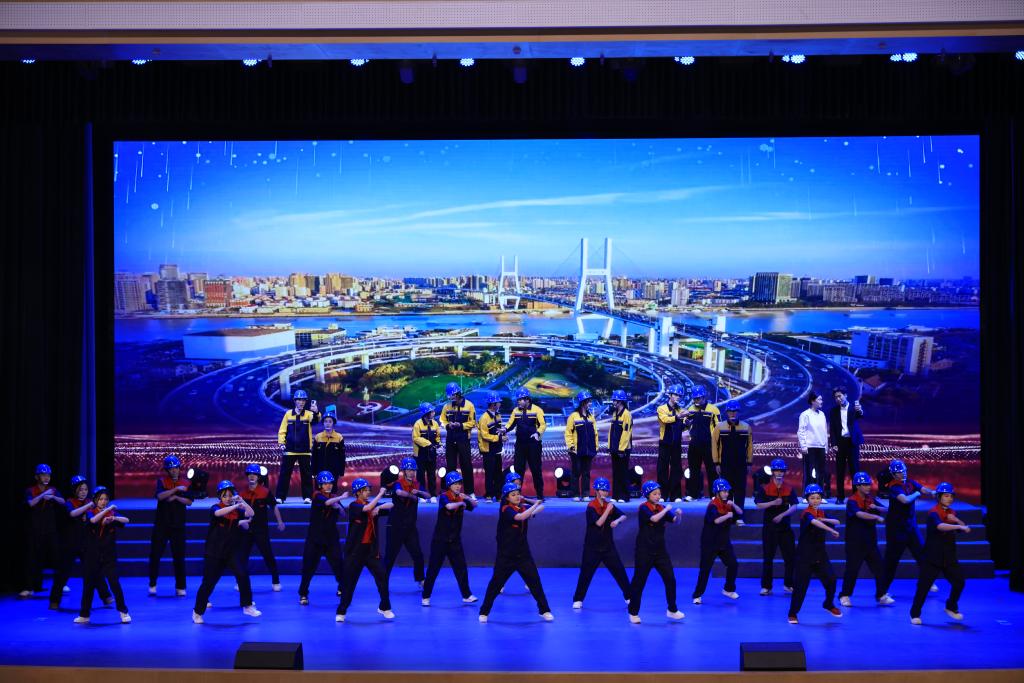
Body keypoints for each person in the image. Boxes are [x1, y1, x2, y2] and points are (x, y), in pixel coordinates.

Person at [478, 482, 552, 623]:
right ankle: (484, 612)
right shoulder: (506, 509)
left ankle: (545, 610)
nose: (517, 496)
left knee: (535, 583)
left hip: (523, 554)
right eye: (513, 495)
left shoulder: (521, 507)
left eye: (518, 494)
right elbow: (520, 517)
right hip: (506, 556)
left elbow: (541, 507)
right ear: (507, 497)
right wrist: (534, 506)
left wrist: (530, 502)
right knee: (495, 585)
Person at [192, 481, 261, 624]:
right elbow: (218, 513)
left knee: (242, 574)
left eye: (230, 495)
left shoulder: (237, 511)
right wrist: (235, 506)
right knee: (208, 583)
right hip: (214, 553)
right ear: (220, 497)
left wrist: (242, 502)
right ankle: (197, 612)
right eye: (225, 496)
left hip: (231, 552)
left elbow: (251, 513)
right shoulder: (216, 507)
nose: (228, 498)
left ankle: (247, 606)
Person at [336, 478, 395, 622]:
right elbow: (367, 509)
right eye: (365, 490)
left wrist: (379, 508)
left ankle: (385, 607)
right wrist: (380, 494)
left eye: (369, 490)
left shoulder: (372, 505)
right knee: (349, 583)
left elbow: (391, 504)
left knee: (382, 577)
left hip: (371, 550)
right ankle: (342, 611)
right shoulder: (354, 506)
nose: (368, 492)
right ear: (358, 492)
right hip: (355, 552)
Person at [50, 476, 113, 610]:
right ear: (75, 490)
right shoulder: (70, 502)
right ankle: (54, 600)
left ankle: (106, 596)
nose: (83, 492)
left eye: (85, 489)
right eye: (80, 489)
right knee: (63, 572)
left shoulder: (91, 502)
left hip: (87, 542)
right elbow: (72, 514)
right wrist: (88, 506)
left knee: (95, 569)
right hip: (71, 542)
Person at [910, 482, 969, 625]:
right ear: (939, 497)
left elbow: (964, 528)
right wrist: (957, 525)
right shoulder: (933, 513)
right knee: (923, 587)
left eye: (951, 496)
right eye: (946, 496)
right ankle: (915, 614)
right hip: (932, 556)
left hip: (948, 557)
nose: (949, 498)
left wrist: (957, 521)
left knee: (959, 582)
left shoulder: (952, 513)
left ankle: (951, 607)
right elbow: (940, 526)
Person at [628, 481, 685, 624]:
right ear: (647, 495)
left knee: (670, 579)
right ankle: (633, 613)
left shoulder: (661, 507)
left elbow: (675, 521)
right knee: (639, 582)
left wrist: (678, 515)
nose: (658, 496)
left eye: (659, 494)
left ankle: (672, 610)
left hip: (660, 551)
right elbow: (654, 519)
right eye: (655, 494)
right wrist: (666, 510)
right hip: (644, 551)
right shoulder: (644, 508)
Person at [787, 484, 843, 624]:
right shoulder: (806, 513)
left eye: (818, 498)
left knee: (831, 580)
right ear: (807, 499)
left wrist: (824, 519)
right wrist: (830, 530)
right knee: (800, 587)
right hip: (804, 557)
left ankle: (828, 604)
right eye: (812, 498)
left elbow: (837, 521)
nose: (816, 500)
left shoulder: (822, 513)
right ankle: (792, 613)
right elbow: (814, 522)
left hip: (820, 555)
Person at [75, 487, 131, 624]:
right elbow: (93, 521)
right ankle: (84, 615)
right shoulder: (90, 512)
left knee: (114, 583)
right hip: (92, 554)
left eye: (106, 499)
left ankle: (123, 612)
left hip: (108, 555)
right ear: (95, 500)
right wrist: (107, 511)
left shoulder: (111, 513)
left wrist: (114, 518)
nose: (103, 501)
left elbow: (126, 520)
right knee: (88, 585)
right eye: (101, 499)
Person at [572, 478, 630, 609]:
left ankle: (629, 597)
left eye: (606, 490)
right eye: (602, 490)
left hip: (608, 546)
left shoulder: (609, 505)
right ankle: (578, 599)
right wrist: (608, 510)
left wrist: (617, 521)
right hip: (592, 547)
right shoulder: (591, 507)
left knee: (620, 571)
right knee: (586, 574)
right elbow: (598, 523)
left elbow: (624, 516)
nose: (605, 493)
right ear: (597, 491)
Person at [882, 459, 936, 599]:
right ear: (894, 474)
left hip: (911, 527)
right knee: (891, 562)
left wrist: (933, 493)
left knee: (922, 554)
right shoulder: (894, 487)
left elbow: (923, 489)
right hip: (896, 530)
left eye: (904, 471)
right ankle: (882, 593)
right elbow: (905, 500)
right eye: (900, 472)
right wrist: (917, 494)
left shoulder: (910, 483)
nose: (903, 473)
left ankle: (928, 582)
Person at [421, 471, 477, 606]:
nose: (458, 486)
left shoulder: (461, 497)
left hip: (455, 540)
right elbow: (449, 506)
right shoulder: (444, 496)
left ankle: (466, 595)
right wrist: (461, 503)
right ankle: (426, 596)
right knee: (433, 569)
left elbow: (474, 505)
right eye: (455, 484)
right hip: (440, 540)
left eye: (459, 484)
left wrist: (466, 498)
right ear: (449, 485)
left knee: (461, 568)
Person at [839, 472, 892, 607]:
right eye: (865, 484)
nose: (868, 487)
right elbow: (859, 514)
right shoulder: (852, 501)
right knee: (852, 570)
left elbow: (886, 510)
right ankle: (844, 595)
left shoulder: (871, 499)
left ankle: (881, 595)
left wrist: (876, 508)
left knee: (880, 568)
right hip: (855, 543)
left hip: (870, 542)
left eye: (869, 484)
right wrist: (875, 517)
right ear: (858, 486)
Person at [298, 471, 349, 605]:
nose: (328, 486)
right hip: (315, 538)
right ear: (320, 485)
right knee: (309, 567)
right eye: (325, 483)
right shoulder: (317, 495)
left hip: (331, 537)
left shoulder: (333, 497)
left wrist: (338, 506)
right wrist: (340, 498)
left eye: (330, 483)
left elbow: (343, 513)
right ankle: (303, 593)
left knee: (338, 564)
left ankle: (342, 588)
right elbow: (326, 503)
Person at [148, 454, 193, 597]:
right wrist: (174, 490)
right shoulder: (161, 482)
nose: (174, 471)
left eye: (176, 468)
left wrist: (176, 497)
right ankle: (152, 584)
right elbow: (160, 496)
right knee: (155, 555)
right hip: (161, 525)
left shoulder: (186, 483)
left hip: (178, 525)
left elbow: (189, 502)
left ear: (179, 468)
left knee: (179, 557)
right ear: (167, 470)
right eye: (171, 468)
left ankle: (180, 587)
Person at [692, 479, 742, 604]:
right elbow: (716, 521)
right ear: (717, 492)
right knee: (705, 569)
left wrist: (733, 505)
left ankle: (728, 589)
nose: (726, 493)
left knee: (733, 564)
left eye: (727, 491)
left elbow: (740, 512)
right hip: (710, 543)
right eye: (724, 491)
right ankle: (697, 595)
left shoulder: (728, 505)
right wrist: (728, 516)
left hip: (724, 542)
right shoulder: (712, 505)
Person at [755, 458, 799, 595]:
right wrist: (772, 503)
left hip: (785, 528)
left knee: (790, 557)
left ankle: (788, 584)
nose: (779, 473)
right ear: (773, 472)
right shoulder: (765, 488)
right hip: (770, 528)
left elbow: (795, 506)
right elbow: (758, 505)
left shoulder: (789, 488)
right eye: (777, 471)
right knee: (768, 558)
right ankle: (766, 587)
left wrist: (782, 515)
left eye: (781, 471)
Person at [384, 458, 429, 586]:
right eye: (409, 470)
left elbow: (428, 496)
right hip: (395, 526)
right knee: (390, 556)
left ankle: (420, 579)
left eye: (413, 470)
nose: (411, 472)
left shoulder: (417, 484)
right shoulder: (398, 483)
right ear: (404, 471)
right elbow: (399, 492)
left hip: (410, 527)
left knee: (418, 555)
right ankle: (383, 580)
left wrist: (418, 492)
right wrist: (412, 496)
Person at [238, 463, 284, 592]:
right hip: (246, 529)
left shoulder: (265, 492)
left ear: (258, 477)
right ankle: (240, 582)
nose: (252, 476)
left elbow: (274, 506)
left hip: (261, 530)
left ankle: (276, 581)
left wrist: (280, 521)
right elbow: (238, 511)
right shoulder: (242, 493)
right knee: (242, 557)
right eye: (250, 474)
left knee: (268, 556)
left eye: (254, 474)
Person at [22, 464, 64, 597]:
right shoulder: (30, 490)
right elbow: (30, 503)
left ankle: (61, 584)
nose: (46, 478)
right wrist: (43, 495)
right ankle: (30, 587)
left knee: (56, 556)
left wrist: (53, 497)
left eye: (48, 475)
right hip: (34, 529)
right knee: (33, 558)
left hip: (50, 529)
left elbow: (63, 501)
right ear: (37, 477)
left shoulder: (53, 490)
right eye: (43, 475)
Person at [276, 388, 321, 503]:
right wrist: (281, 443)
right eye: (299, 400)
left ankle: (307, 497)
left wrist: (316, 412)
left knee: (306, 475)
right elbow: (282, 430)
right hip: (290, 450)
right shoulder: (288, 414)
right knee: (285, 474)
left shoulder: (309, 414)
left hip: (304, 450)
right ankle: (280, 497)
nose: (301, 402)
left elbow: (317, 420)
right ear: (295, 401)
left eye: (303, 400)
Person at [712, 399, 753, 524]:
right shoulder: (719, 427)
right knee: (726, 491)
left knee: (740, 490)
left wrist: (749, 462)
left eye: (735, 411)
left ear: (738, 412)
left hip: (741, 464)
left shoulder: (746, 427)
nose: (733, 413)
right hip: (725, 464)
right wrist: (717, 463)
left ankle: (739, 517)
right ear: (727, 412)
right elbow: (714, 446)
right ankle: (727, 516)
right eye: (730, 411)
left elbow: (749, 447)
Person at [505, 387, 546, 500]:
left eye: (520, 399)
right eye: (517, 400)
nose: (518, 402)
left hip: (534, 444)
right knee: (518, 470)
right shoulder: (515, 411)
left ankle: (540, 495)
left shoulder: (537, 410)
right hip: (520, 444)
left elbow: (543, 425)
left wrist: (537, 433)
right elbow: (510, 424)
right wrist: (504, 429)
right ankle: (516, 495)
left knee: (536, 469)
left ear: (527, 399)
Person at [683, 386, 721, 501]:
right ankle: (693, 494)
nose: (696, 401)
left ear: (704, 397)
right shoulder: (690, 409)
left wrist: (717, 444)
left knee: (712, 470)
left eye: (698, 398)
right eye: (694, 398)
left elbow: (719, 427)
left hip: (709, 444)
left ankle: (714, 495)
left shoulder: (713, 409)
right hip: (694, 444)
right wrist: (686, 423)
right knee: (693, 470)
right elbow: (685, 425)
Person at [440, 383, 477, 499]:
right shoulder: (447, 406)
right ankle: (449, 493)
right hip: (450, 438)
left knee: (466, 465)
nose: (451, 398)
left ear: (458, 394)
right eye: (450, 396)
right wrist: (447, 425)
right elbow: (442, 420)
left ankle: (470, 492)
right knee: (451, 466)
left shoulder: (469, 405)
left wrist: (461, 425)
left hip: (463, 439)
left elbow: (473, 422)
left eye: (452, 395)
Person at [829, 388, 864, 503]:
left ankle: (856, 497)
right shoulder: (833, 411)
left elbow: (860, 415)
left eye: (840, 396)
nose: (838, 399)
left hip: (852, 442)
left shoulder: (854, 407)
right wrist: (833, 443)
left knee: (855, 470)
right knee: (840, 471)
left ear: (845, 395)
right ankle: (840, 497)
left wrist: (860, 410)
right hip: (840, 443)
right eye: (836, 397)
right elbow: (832, 429)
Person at [565, 390, 599, 502]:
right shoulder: (573, 416)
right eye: (588, 401)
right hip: (576, 450)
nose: (590, 403)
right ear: (583, 402)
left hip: (589, 450)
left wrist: (596, 447)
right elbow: (568, 433)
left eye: (590, 401)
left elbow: (595, 433)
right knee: (576, 473)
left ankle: (585, 494)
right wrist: (571, 446)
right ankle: (575, 494)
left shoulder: (591, 417)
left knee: (586, 473)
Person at [656, 384, 686, 503]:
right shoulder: (662, 408)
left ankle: (675, 495)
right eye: (676, 395)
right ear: (670, 395)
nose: (678, 397)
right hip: (665, 442)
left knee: (676, 469)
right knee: (662, 469)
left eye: (679, 395)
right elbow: (665, 420)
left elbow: (681, 427)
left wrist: (687, 424)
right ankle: (662, 495)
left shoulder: (681, 410)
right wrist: (678, 417)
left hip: (676, 444)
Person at [477, 392, 506, 503]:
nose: (500, 404)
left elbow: (498, 430)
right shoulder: (484, 418)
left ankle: (498, 495)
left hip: (497, 449)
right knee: (489, 473)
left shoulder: (498, 415)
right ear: (493, 404)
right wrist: (499, 438)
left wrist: (503, 434)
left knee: (498, 473)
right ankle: (489, 495)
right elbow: (484, 435)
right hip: (488, 450)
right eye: (498, 402)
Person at [797, 391, 828, 495]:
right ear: (812, 401)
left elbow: (824, 431)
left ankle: (820, 495)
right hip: (809, 447)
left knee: (821, 473)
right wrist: (803, 446)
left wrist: (826, 447)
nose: (821, 401)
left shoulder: (822, 414)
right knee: (808, 473)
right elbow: (801, 431)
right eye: (819, 399)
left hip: (821, 447)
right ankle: (806, 495)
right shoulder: (805, 414)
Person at [607, 389, 633, 502]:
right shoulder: (615, 413)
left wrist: (621, 449)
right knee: (616, 472)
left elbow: (626, 433)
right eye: (613, 400)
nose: (613, 402)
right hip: (614, 448)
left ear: (621, 401)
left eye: (615, 400)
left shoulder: (627, 414)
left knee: (623, 473)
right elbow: (611, 431)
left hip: (623, 449)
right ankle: (616, 496)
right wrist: (610, 446)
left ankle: (624, 496)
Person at [412, 403, 442, 500]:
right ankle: (422, 496)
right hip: (420, 454)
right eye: (432, 411)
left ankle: (433, 495)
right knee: (420, 476)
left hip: (432, 454)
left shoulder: (435, 423)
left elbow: (437, 436)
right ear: (426, 413)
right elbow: (415, 438)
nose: (434, 413)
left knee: (432, 475)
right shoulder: (418, 424)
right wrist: (428, 443)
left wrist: (438, 443)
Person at [312, 408, 346, 489]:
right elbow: (314, 456)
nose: (328, 424)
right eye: (326, 421)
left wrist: (341, 471)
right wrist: (313, 471)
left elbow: (342, 457)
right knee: (319, 490)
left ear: (333, 423)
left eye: (330, 421)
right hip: (320, 470)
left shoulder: (339, 437)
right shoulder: (318, 437)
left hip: (334, 470)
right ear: (323, 423)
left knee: (332, 490)